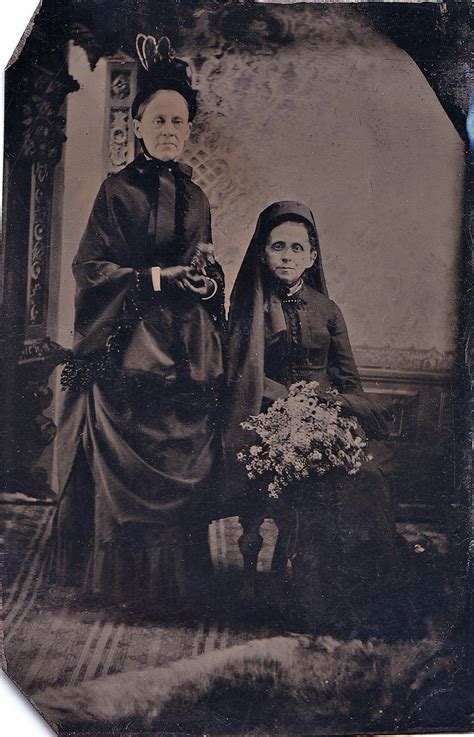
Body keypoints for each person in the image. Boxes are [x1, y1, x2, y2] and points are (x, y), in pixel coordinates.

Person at [54, 35, 225, 615]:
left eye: (180, 120)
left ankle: (175, 590)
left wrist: (203, 280)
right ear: (140, 123)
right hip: (129, 347)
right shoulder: (116, 190)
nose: (171, 129)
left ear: (188, 128)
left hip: (186, 350)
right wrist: (156, 278)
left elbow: (201, 262)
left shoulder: (198, 197)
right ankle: (125, 588)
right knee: (130, 453)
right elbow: (92, 268)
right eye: (160, 119)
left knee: (185, 451)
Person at [225, 201, 406, 637]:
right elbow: (241, 375)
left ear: (312, 256)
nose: (287, 255)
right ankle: (307, 598)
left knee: (365, 478)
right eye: (277, 246)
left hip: (328, 420)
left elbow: (350, 382)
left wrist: (334, 414)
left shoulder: (328, 310)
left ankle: (356, 597)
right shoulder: (250, 308)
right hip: (270, 422)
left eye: (297, 247)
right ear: (263, 254)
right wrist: (291, 403)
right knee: (312, 481)